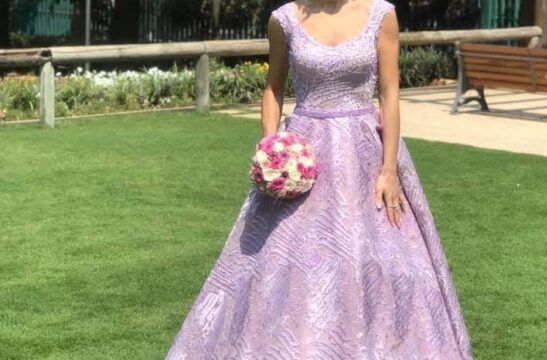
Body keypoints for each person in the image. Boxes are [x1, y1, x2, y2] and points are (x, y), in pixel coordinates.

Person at [164, 0, 473, 358]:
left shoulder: (381, 14)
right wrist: (273, 148)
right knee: (282, 258)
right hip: (305, 154)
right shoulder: (284, 19)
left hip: (365, 155)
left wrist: (388, 169)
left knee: (390, 256)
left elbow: (389, 94)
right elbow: (272, 88)